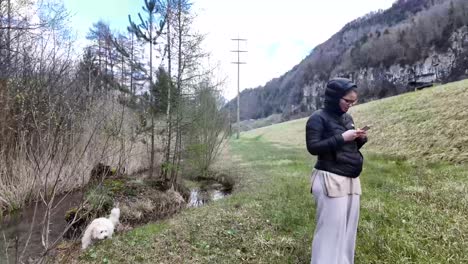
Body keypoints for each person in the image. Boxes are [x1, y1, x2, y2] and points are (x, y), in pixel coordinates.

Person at [305, 78, 367, 264]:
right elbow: (313, 147)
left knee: (347, 229)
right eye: (347, 101)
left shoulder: (348, 118)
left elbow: (348, 147)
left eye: (353, 102)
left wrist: (358, 138)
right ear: (334, 97)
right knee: (330, 232)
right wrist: (342, 137)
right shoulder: (317, 118)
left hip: (351, 178)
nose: (350, 105)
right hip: (329, 179)